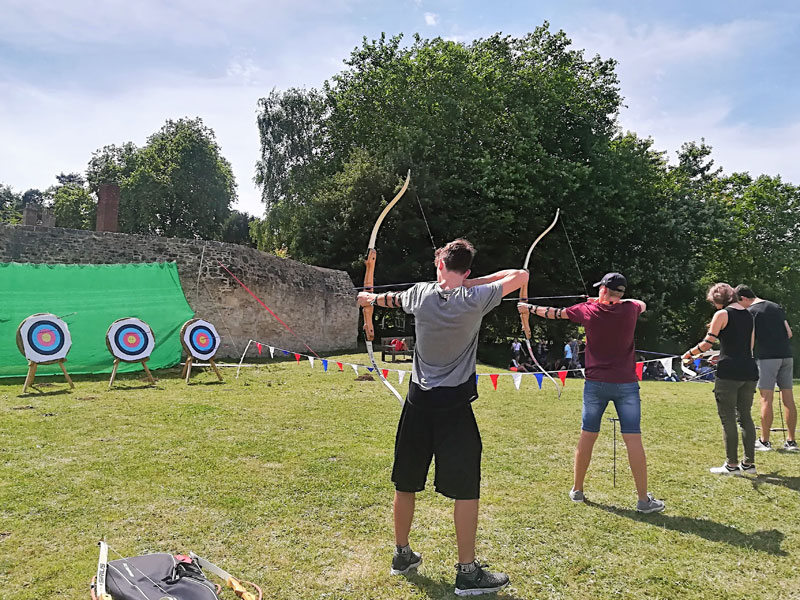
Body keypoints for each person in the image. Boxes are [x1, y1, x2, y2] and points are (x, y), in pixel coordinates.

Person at [357, 238, 526, 596]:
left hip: (418, 404)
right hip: (454, 408)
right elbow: (520, 274)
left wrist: (368, 300)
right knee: (466, 489)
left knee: (406, 481)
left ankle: (402, 554)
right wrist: (471, 282)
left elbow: (385, 299)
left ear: (438, 265)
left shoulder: (419, 294)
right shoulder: (477, 297)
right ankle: (467, 572)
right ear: (466, 270)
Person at [518, 272, 665, 513]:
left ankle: (577, 490)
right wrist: (607, 301)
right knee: (633, 439)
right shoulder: (630, 309)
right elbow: (641, 303)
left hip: (596, 384)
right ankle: (642, 500)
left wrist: (528, 307)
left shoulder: (587, 310)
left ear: (604, 290)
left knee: (588, 436)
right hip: (626, 383)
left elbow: (555, 313)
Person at [683, 283, 759, 474]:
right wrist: (721, 353)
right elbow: (747, 346)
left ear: (718, 300)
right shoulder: (749, 314)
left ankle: (731, 465)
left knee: (728, 418)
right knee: (746, 417)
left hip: (729, 373)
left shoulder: (722, 314)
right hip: (749, 370)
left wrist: (689, 354)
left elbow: (708, 343)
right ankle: (749, 464)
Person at [735, 285, 798, 451]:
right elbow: (789, 333)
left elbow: (751, 338)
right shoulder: (775, 307)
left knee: (766, 398)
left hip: (767, 358)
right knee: (788, 399)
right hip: (786, 356)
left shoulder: (751, 311)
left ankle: (764, 441)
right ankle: (791, 441)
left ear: (742, 299)